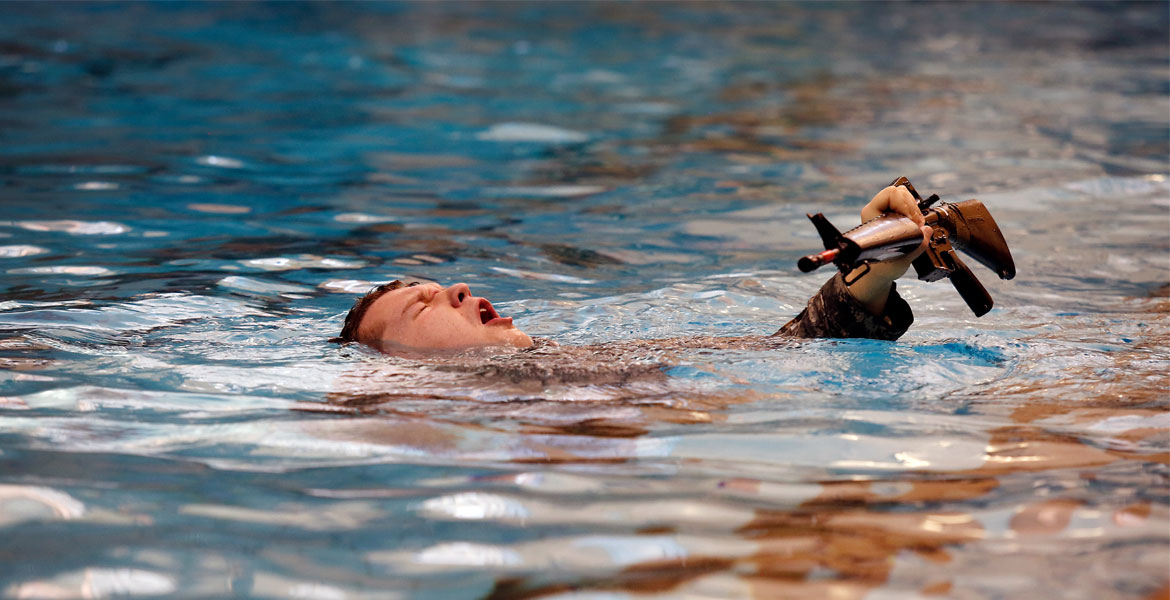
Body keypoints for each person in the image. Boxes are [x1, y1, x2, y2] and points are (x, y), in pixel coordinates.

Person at [335, 185, 933, 352]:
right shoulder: (447, 413)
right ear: (392, 375)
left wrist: (869, 275)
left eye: (441, 288)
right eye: (424, 305)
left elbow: (778, 356)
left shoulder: (588, 366)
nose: (459, 288)